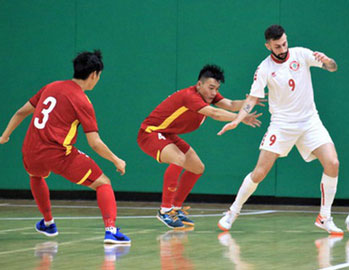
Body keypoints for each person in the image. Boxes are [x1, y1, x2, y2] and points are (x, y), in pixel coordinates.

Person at [217, 24, 343, 235]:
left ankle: (325, 217)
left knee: (333, 163)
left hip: (310, 121)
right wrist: (238, 120)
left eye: (284, 43)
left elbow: (333, 67)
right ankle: (232, 212)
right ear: (268, 46)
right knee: (259, 172)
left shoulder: (301, 54)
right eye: (277, 46)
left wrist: (328, 60)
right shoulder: (264, 69)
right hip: (282, 125)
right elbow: (252, 98)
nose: (283, 48)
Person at [0, 50, 130, 244]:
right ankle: (111, 230)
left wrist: (5, 136)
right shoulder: (81, 101)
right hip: (59, 155)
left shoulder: (51, 87)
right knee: (103, 182)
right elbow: (94, 143)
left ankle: (48, 222)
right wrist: (116, 159)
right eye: (99, 76)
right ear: (94, 74)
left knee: (36, 176)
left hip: (30, 151)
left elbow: (21, 112)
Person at [137, 64, 263, 229]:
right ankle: (165, 210)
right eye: (211, 87)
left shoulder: (209, 95)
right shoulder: (190, 96)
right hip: (150, 133)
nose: (213, 92)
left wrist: (249, 101)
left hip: (167, 134)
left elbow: (231, 104)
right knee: (178, 158)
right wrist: (241, 118)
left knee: (197, 167)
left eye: (216, 88)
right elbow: (215, 113)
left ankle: (176, 207)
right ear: (199, 85)